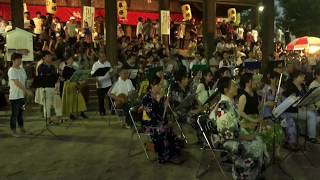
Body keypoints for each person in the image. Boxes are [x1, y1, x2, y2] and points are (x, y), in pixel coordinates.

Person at [212, 77, 269, 180]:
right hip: (228, 140)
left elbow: (235, 123)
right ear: (226, 90)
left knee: (259, 141)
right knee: (256, 146)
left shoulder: (229, 102)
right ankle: (244, 175)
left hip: (235, 134)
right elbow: (225, 132)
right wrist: (246, 137)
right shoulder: (223, 106)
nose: (237, 87)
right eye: (233, 86)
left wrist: (248, 126)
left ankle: (253, 174)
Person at [142, 76, 183, 164]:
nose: (160, 87)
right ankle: (164, 156)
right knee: (162, 129)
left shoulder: (159, 96)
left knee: (170, 127)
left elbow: (163, 113)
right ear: (152, 85)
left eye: (160, 85)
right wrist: (159, 100)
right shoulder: (146, 98)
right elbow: (151, 114)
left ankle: (171, 152)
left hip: (160, 121)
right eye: (158, 85)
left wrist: (166, 104)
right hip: (150, 124)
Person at [283, 70, 320, 143]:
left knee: (316, 114)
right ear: (296, 77)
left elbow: (306, 98)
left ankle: (305, 132)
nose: (304, 78)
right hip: (291, 110)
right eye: (302, 76)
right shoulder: (290, 87)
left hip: (301, 108)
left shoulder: (302, 85)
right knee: (311, 115)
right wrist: (300, 106)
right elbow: (289, 102)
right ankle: (311, 137)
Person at [8, 53, 32, 137]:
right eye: (18, 59)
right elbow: (16, 82)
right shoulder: (11, 70)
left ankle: (21, 128)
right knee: (14, 113)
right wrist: (26, 90)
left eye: (20, 59)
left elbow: (24, 81)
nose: (20, 61)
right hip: (14, 96)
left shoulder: (22, 69)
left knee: (20, 113)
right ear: (13, 60)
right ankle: (13, 130)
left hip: (22, 95)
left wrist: (26, 90)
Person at [37, 51, 63, 124]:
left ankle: (59, 118)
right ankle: (48, 120)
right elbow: (41, 78)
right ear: (44, 57)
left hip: (54, 87)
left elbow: (56, 77)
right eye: (48, 56)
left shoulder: (52, 66)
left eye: (50, 56)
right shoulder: (41, 67)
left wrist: (58, 77)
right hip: (46, 88)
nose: (50, 57)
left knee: (58, 103)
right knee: (47, 105)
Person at [91, 50, 112, 116]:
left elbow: (111, 72)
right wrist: (98, 82)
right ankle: (102, 111)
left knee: (110, 98)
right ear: (99, 57)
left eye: (105, 56)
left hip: (108, 83)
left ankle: (112, 110)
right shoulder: (95, 65)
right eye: (103, 57)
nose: (104, 58)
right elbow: (93, 75)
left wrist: (113, 73)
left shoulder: (108, 63)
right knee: (101, 99)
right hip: (100, 84)